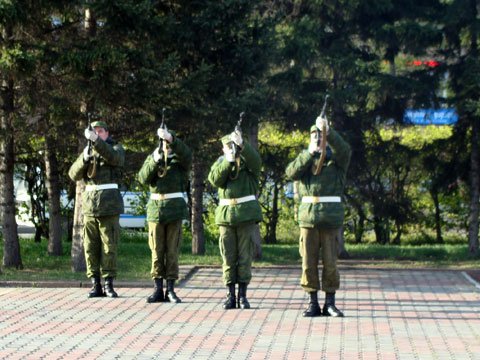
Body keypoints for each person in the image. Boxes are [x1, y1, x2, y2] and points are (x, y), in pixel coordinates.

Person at [286, 115, 351, 317]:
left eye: (320, 136)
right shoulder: (306, 160)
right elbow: (291, 172)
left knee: (331, 263)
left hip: (330, 220)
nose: (317, 139)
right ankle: (312, 301)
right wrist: (309, 154)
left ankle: (329, 302)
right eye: (314, 135)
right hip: (308, 220)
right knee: (308, 262)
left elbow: (345, 150)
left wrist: (329, 133)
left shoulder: (336, 161)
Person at [68, 120, 125, 298]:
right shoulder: (89, 151)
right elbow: (73, 174)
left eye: (100, 132)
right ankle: (95, 283)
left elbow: (115, 159)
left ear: (106, 134)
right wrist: (84, 158)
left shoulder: (115, 148)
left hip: (109, 206)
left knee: (109, 246)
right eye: (94, 132)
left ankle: (109, 283)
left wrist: (96, 142)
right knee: (90, 247)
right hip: (90, 207)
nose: (97, 134)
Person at [207, 129, 262, 310]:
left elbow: (256, 162)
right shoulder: (221, 164)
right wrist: (227, 162)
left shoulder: (248, 163)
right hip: (226, 217)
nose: (231, 149)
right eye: (228, 146)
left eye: (233, 146)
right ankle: (230, 296)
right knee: (228, 257)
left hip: (245, 216)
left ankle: (243, 296)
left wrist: (242, 146)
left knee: (245, 256)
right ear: (223, 149)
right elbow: (214, 179)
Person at [137, 125, 192, 303]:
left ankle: (171, 288)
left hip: (174, 210)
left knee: (172, 251)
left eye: (167, 142)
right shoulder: (153, 159)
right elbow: (143, 178)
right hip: (156, 211)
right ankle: (157, 288)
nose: (165, 145)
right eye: (163, 142)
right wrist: (154, 160)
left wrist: (171, 138)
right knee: (156, 251)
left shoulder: (179, 161)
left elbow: (187, 155)